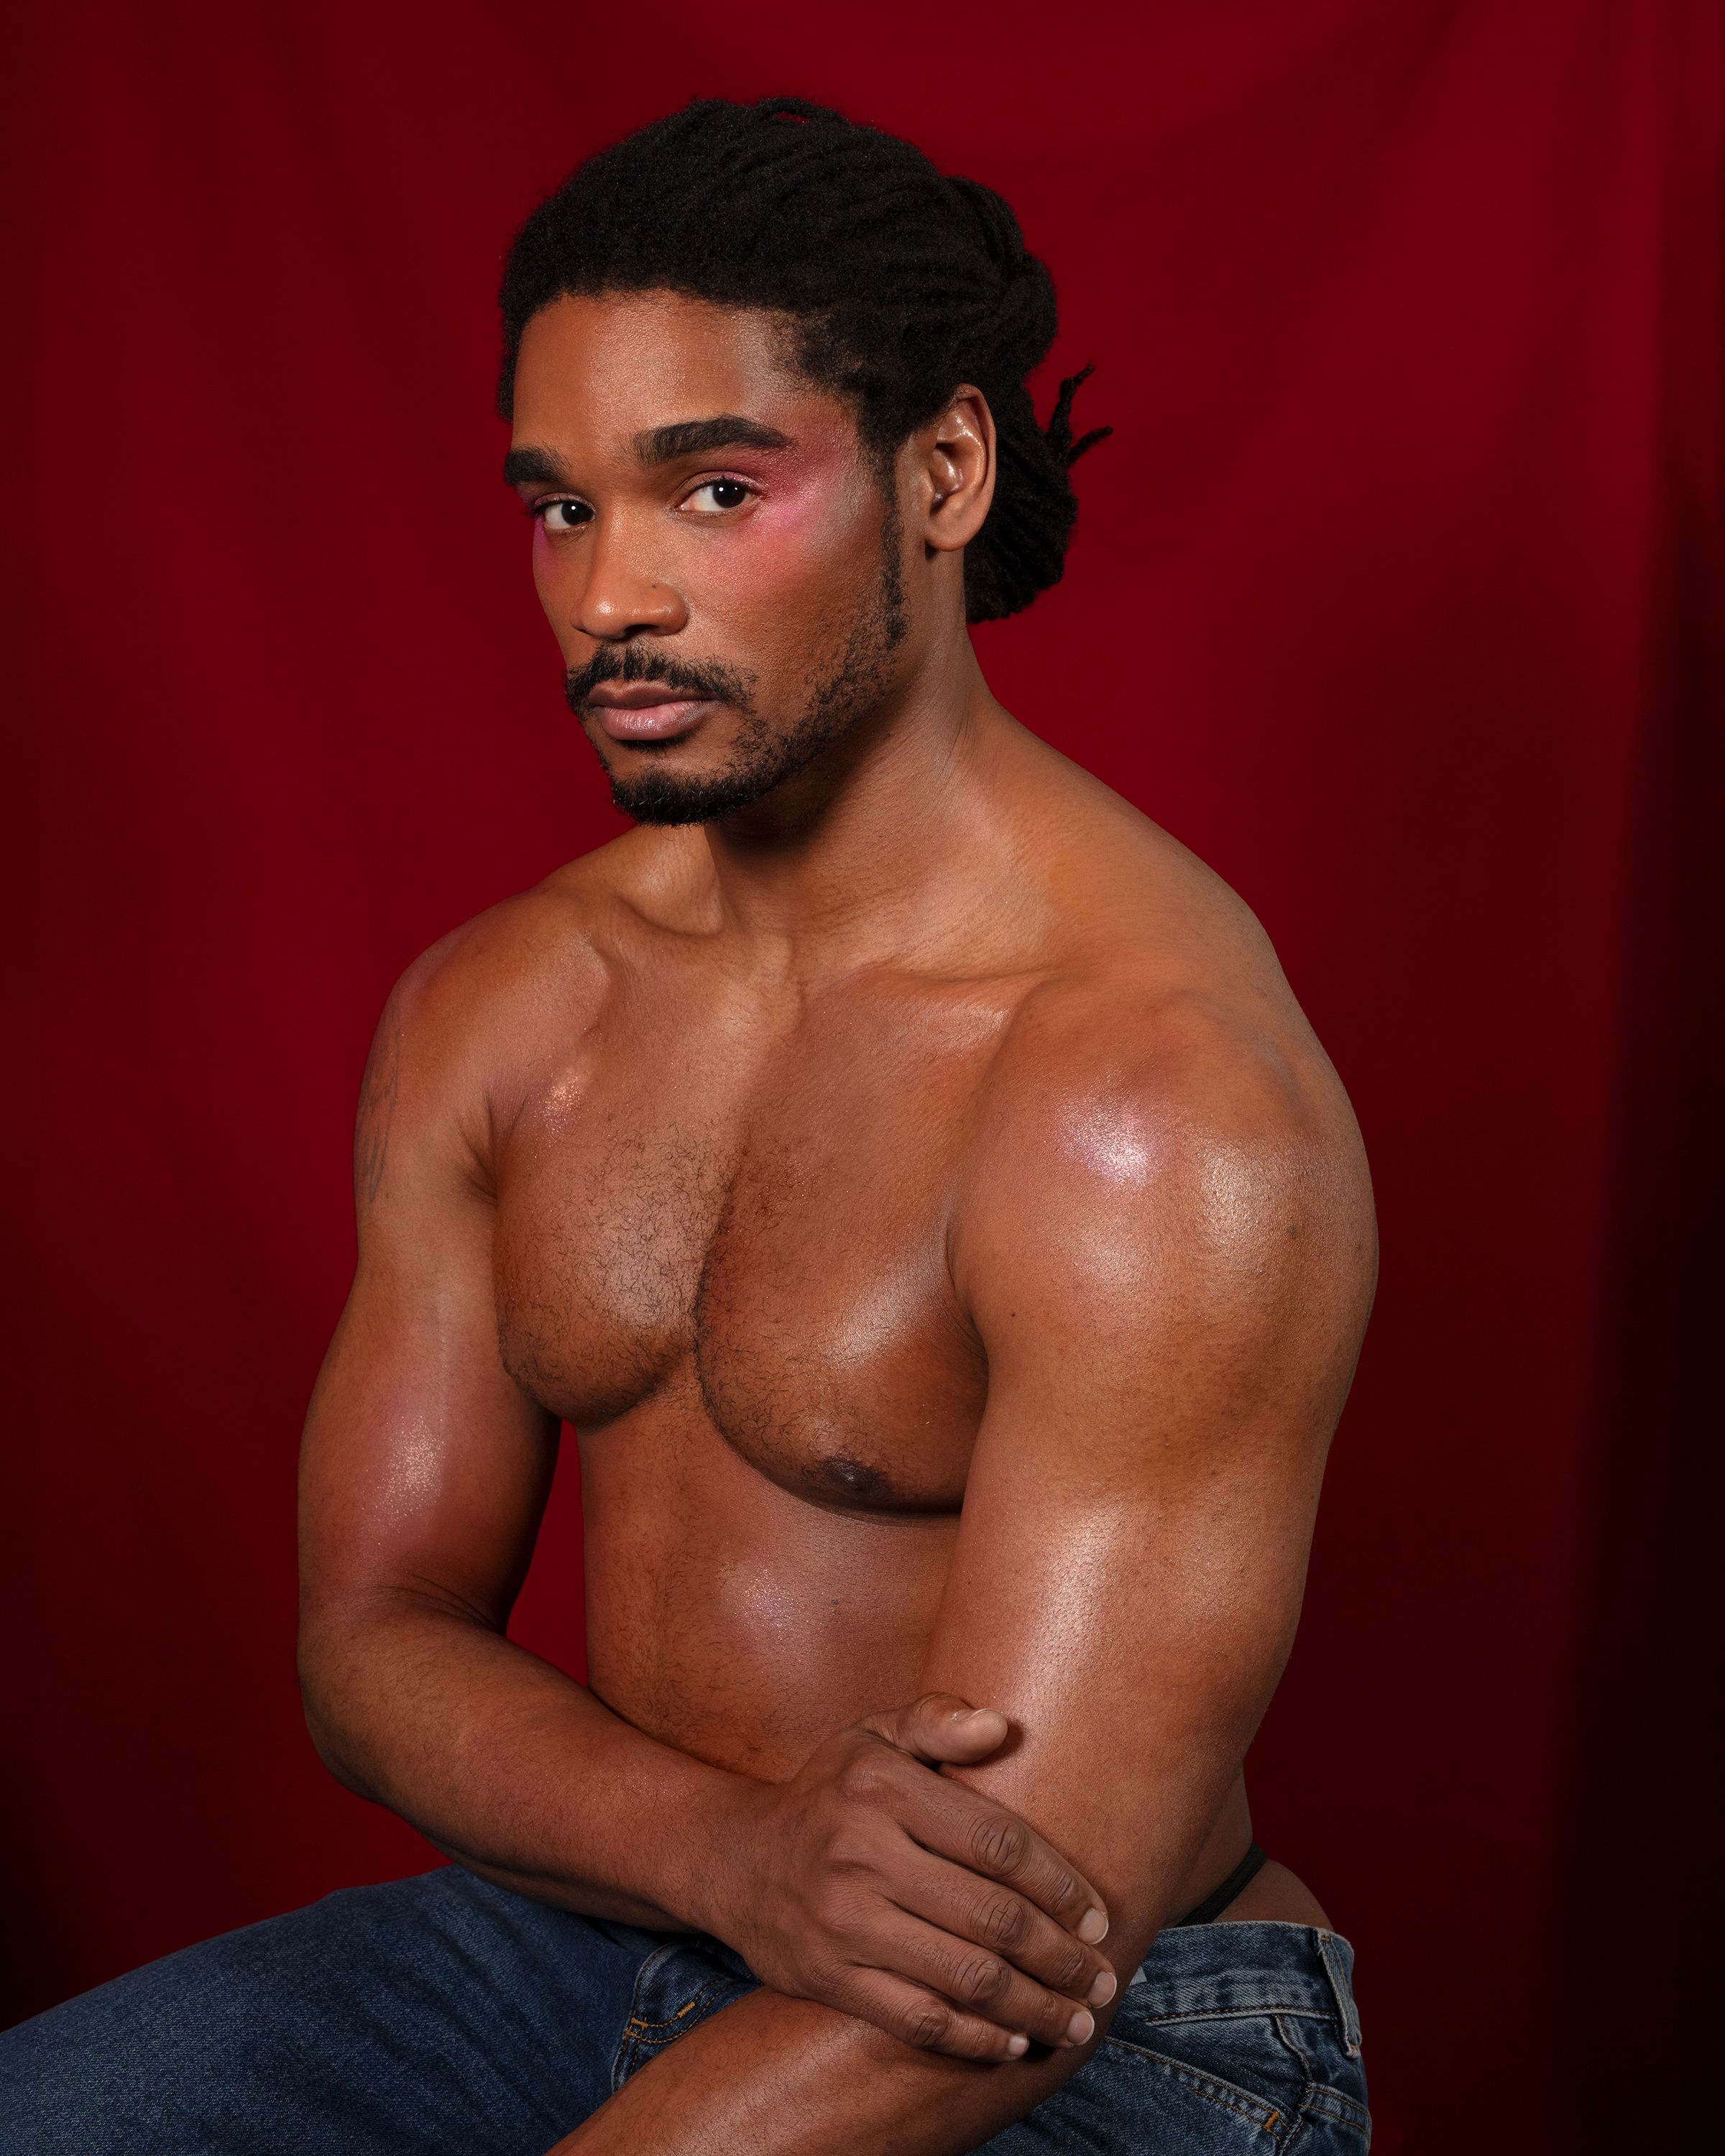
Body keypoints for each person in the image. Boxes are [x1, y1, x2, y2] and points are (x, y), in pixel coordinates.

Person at [1, 98, 1376, 2155]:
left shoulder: (1149, 1099)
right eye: (559, 509)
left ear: (944, 472)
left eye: (714, 489)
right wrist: (734, 1860)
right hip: (603, 1922)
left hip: (1099, 2020)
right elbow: (370, 1640)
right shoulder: (505, 1011)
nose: (610, 594)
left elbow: (1005, 1953)